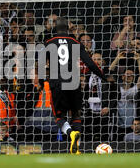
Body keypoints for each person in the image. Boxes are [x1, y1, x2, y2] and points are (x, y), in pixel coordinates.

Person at [45, 17, 107, 154]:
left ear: (55, 28)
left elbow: (43, 66)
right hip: (74, 82)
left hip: (57, 83)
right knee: (76, 116)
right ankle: (76, 148)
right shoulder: (75, 42)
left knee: (59, 116)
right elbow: (90, 63)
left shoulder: (48, 42)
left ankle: (70, 133)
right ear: (68, 28)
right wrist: (104, 77)